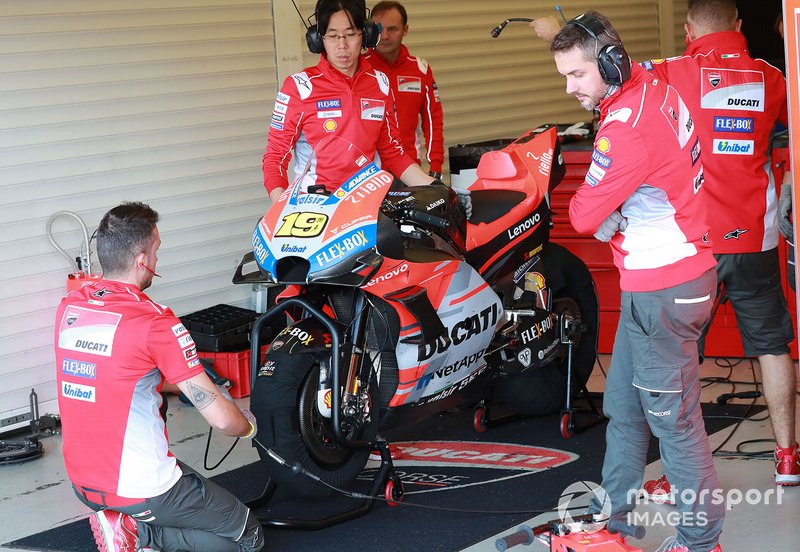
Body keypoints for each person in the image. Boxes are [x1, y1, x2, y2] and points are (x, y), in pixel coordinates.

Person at [549, 12, 724, 552]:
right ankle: (614, 526)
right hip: (658, 284)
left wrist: (607, 210)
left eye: (577, 75)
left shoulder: (624, 127)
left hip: (666, 289)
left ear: (607, 64)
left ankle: (701, 542)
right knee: (623, 411)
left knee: (675, 425)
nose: (571, 88)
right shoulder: (652, 81)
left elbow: (580, 216)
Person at [641, 0, 798, 491]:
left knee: (683, 352)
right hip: (753, 233)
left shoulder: (667, 73)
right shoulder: (773, 75)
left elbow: (608, 75)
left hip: (692, 240)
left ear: (688, 30)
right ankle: (788, 459)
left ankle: (673, 475)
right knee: (772, 345)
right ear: (740, 27)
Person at [55, 202, 264, 552]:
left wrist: (187, 381)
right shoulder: (155, 322)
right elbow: (222, 420)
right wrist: (248, 425)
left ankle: (124, 522)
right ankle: (138, 534)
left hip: (83, 481)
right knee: (248, 538)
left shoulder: (71, 307)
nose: (157, 260)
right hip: (142, 485)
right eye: (156, 251)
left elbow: (121, 375)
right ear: (142, 260)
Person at [261, 0, 464, 212]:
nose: (342, 45)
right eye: (332, 35)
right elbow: (275, 157)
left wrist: (442, 191)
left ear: (365, 35)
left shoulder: (380, 83)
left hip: (369, 206)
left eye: (350, 34)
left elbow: (392, 153)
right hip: (316, 208)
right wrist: (282, 209)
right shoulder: (299, 87)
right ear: (318, 39)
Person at [364, 1, 445, 179]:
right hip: (368, 174)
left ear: (405, 30)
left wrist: (436, 166)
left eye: (392, 29)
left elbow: (433, 121)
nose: (384, 36)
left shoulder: (420, 69)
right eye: (378, 29)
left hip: (409, 170)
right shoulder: (359, 68)